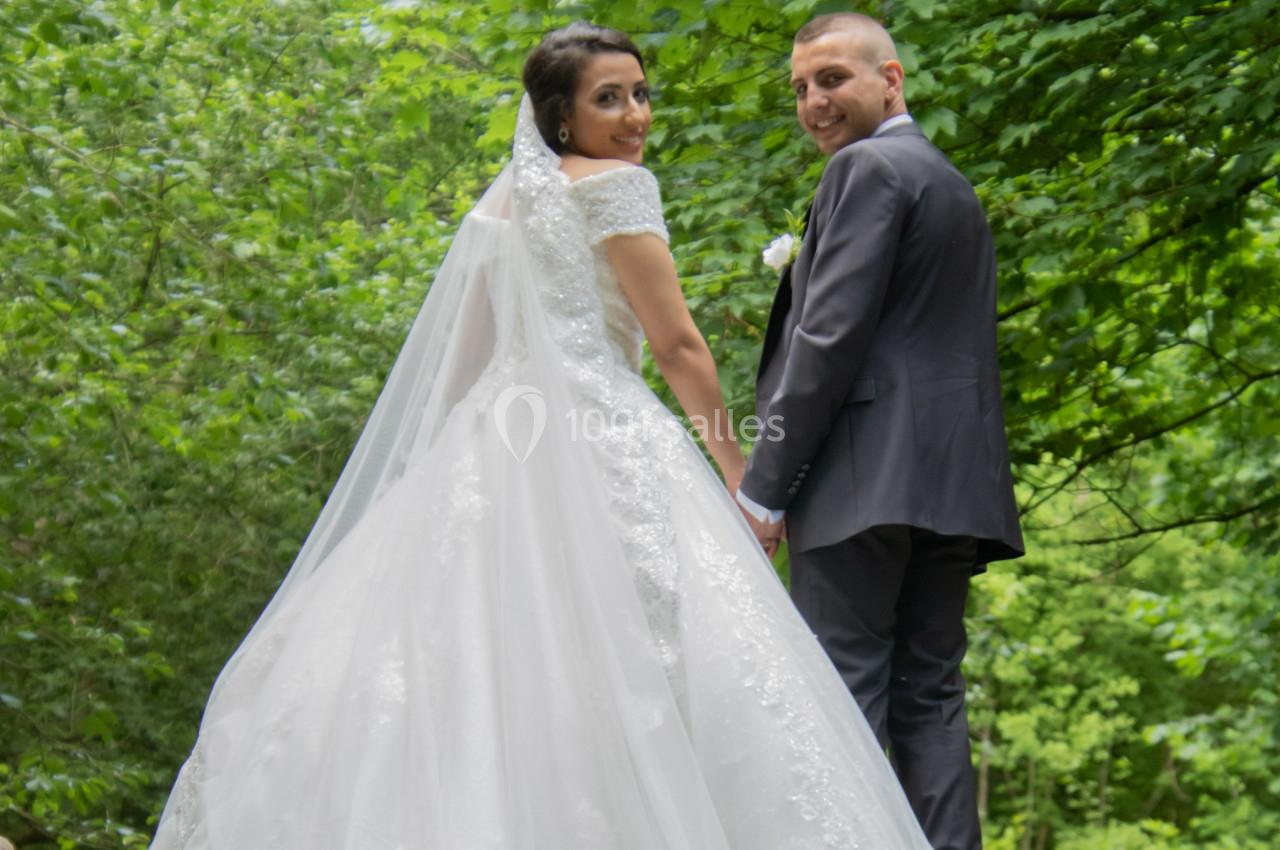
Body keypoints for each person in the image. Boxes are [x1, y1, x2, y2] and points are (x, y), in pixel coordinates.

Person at [148, 22, 935, 850]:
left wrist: (432, 477)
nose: (635, 116)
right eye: (609, 100)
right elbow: (677, 347)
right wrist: (741, 476)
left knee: (490, 662)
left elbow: (469, 357)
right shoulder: (619, 190)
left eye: (640, 94)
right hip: (604, 431)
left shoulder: (503, 203)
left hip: (495, 437)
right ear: (560, 118)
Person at [735, 13, 1026, 850]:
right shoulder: (948, 181)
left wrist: (763, 490)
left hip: (860, 485)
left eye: (832, 79)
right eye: (799, 88)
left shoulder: (866, 169)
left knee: (841, 703)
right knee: (931, 699)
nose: (813, 102)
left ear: (889, 79)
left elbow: (827, 341)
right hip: (953, 489)